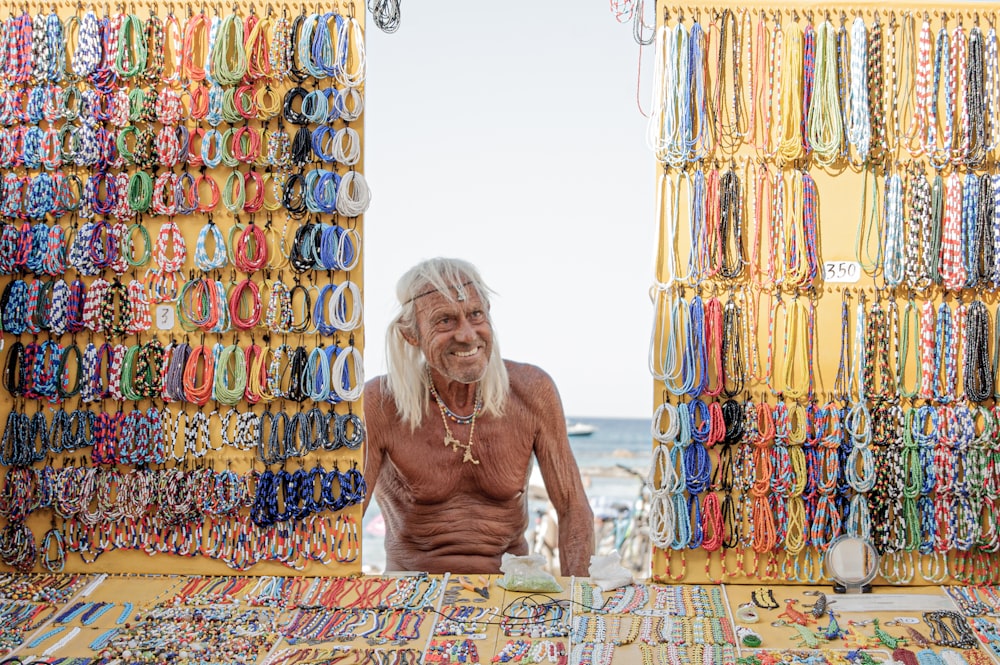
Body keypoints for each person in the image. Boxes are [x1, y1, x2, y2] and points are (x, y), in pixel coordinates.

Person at [363, 257, 594, 576]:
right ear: (410, 334)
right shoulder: (380, 404)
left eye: (475, 315)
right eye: (444, 321)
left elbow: (572, 508)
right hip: (412, 591)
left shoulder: (532, 392)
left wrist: (577, 601)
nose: (468, 335)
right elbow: (346, 517)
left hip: (512, 593)